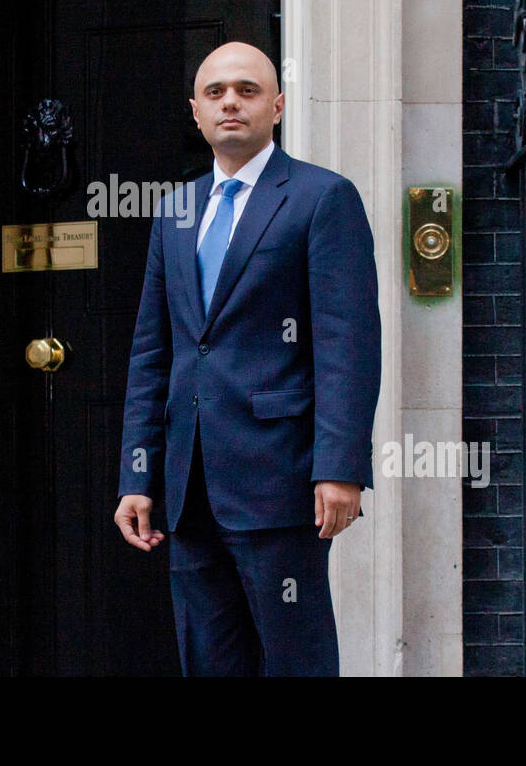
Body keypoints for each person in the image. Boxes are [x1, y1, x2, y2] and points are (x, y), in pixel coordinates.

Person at [114, 40, 381, 677]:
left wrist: (340, 467)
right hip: (188, 485)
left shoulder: (322, 198)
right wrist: (136, 474)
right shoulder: (175, 211)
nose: (230, 102)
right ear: (197, 113)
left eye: (248, 90)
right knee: (208, 660)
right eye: (215, 93)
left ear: (278, 106)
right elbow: (155, 351)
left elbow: (348, 343)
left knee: (296, 658)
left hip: (280, 480)